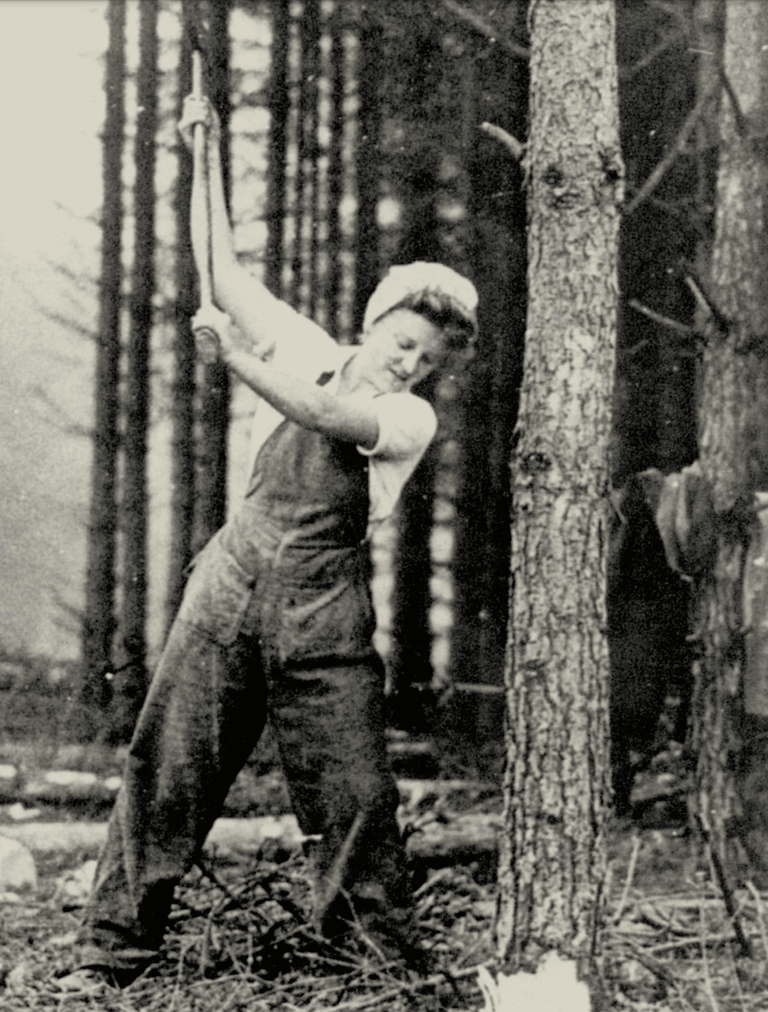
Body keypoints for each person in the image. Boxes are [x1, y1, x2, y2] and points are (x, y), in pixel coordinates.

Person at [55, 96, 479, 992]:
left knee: (356, 796)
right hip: (229, 588)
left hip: (323, 620)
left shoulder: (406, 417)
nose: (410, 364)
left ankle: (370, 967)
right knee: (166, 768)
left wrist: (236, 361)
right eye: (406, 342)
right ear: (377, 319)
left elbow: (323, 411)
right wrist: (202, 149)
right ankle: (110, 954)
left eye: (428, 359)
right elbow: (226, 272)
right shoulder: (305, 341)